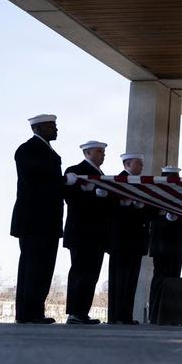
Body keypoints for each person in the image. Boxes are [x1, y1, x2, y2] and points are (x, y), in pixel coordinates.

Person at [11, 114, 76, 324]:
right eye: (51, 126)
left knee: (44, 268)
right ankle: (27, 313)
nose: (56, 129)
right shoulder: (27, 149)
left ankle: (35, 311)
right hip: (33, 219)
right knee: (33, 267)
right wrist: (64, 181)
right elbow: (33, 181)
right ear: (37, 128)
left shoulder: (48, 151)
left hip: (47, 219)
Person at [63, 139, 113, 324]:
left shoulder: (102, 175)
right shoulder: (75, 170)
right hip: (82, 231)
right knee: (81, 272)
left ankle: (82, 312)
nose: (103, 154)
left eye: (103, 151)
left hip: (97, 233)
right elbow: (72, 200)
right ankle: (74, 313)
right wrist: (93, 195)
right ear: (87, 153)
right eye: (99, 151)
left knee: (91, 274)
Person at [107, 153, 152, 325]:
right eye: (138, 163)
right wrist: (130, 207)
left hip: (136, 240)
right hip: (123, 239)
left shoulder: (138, 184)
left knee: (131, 281)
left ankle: (124, 315)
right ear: (127, 164)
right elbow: (112, 208)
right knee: (120, 279)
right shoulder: (118, 182)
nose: (141, 166)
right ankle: (117, 315)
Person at [148, 165, 182, 324]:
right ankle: (155, 314)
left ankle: (171, 315)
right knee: (160, 280)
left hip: (178, 244)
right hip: (162, 243)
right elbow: (152, 216)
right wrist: (167, 219)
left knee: (174, 282)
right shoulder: (157, 193)